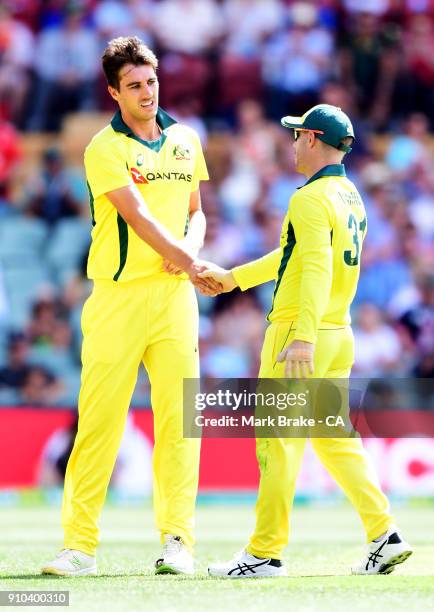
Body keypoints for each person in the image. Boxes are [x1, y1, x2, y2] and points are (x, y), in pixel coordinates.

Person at [200, 104, 413, 577]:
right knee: (335, 438)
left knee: (278, 443)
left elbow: (313, 268)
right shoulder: (348, 195)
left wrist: (300, 338)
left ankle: (264, 554)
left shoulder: (308, 199)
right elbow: (294, 254)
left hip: (302, 333)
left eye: (298, 135)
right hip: (339, 333)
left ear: (314, 139)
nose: (293, 142)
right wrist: (233, 279)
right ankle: (384, 532)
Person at [41, 36, 218, 577]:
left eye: (152, 81)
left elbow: (197, 212)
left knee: (179, 424)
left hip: (173, 300)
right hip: (117, 299)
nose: (147, 92)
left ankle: (178, 542)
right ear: (114, 91)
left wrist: (190, 252)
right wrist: (187, 260)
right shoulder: (104, 147)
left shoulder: (186, 139)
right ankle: (79, 547)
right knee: (98, 424)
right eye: (135, 85)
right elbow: (138, 216)